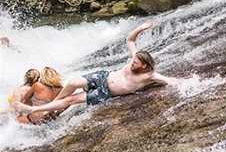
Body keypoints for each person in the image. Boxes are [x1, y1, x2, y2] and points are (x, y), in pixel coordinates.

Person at [14, 22, 178, 115]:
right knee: (73, 82)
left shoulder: (150, 75)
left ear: (144, 65)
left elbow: (170, 81)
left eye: (136, 62)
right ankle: (55, 105)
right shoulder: (135, 58)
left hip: (105, 92)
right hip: (102, 77)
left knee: (72, 100)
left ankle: (35, 109)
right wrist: (140, 28)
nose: (132, 62)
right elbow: (130, 41)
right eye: (133, 59)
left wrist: (190, 84)